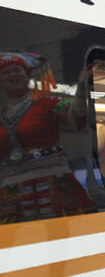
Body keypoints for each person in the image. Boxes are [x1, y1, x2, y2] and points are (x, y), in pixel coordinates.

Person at [0, 52, 94, 223]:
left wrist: (81, 88)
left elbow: (75, 116)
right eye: (6, 72)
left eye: (17, 70)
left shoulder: (49, 103)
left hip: (55, 183)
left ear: (27, 75)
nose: (12, 75)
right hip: (11, 193)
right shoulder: (2, 115)